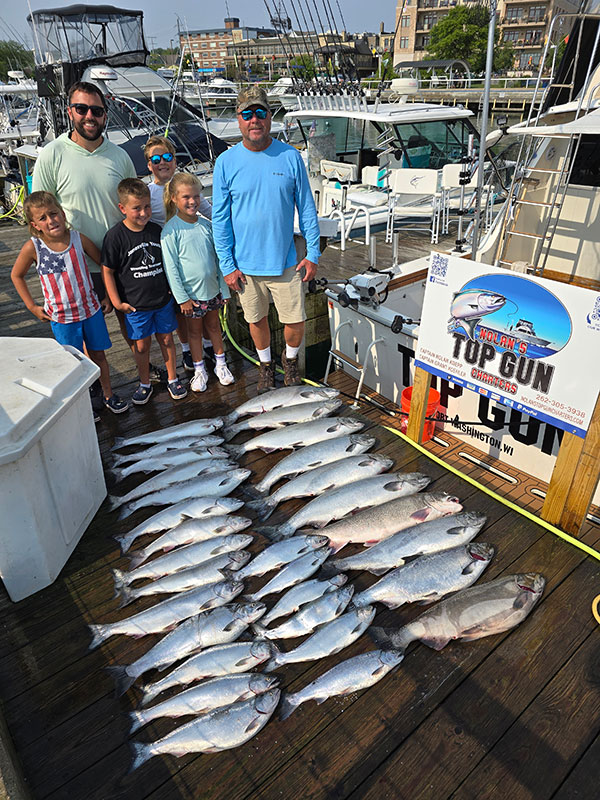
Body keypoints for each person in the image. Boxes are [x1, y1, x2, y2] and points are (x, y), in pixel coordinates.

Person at [211, 85, 321, 394]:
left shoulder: (290, 156)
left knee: (295, 320)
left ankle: (289, 361)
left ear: (270, 117)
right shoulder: (225, 162)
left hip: (286, 261)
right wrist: (227, 265)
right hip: (244, 266)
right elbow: (220, 219)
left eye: (260, 112)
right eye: (247, 114)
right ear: (238, 119)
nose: (254, 119)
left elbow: (307, 208)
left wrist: (313, 253)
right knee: (255, 319)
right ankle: (265, 365)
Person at [11, 191, 129, 417]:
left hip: (91, 310)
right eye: (43, 218)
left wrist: (105, 294)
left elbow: (103, 264)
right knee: (74, 363)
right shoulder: (33, 248)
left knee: (99, 356)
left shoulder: (78, 238)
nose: (50, 220)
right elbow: (17, 275)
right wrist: (31, 306)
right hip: (62, 319)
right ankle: (83, 401)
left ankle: (107, 395)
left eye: (53, 214)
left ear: (62, 214)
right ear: (35, 225)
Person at [101, 179, 186, 404]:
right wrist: (117, 303)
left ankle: (172, 378)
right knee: (141, 344)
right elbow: (107, 271)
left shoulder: (157, 231)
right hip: (135, 305)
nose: (143, 212)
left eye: (146, 206)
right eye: (136, 208)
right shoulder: (115, 237)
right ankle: (145, 382)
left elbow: (169, 263)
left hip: (162, 301)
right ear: (122, 208)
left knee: (167, 340)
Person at [144, 135, 214, 374]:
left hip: (191, 256)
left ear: (174, 160)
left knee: (201, 303)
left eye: (167, 157)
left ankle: (205, 346)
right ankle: (186, 348)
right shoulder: (148, 191)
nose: (162, 162)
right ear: (149, 164)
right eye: (156, 158)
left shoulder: (186, 185)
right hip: (166, 256)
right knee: (179, 307)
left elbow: (207, 212)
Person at [161, 172, 234, 393]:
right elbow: (171, 268)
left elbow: (219, 260)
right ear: (174, 198)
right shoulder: (170, 231)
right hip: (191, 297)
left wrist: (225, 290)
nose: (192, 201)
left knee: (214, 327)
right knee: (193, 333)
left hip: (213, 291)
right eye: (186, 197)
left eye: (196, 196)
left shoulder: (207, 225)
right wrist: (181, 298)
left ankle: (221, 364)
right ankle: (199, 369)